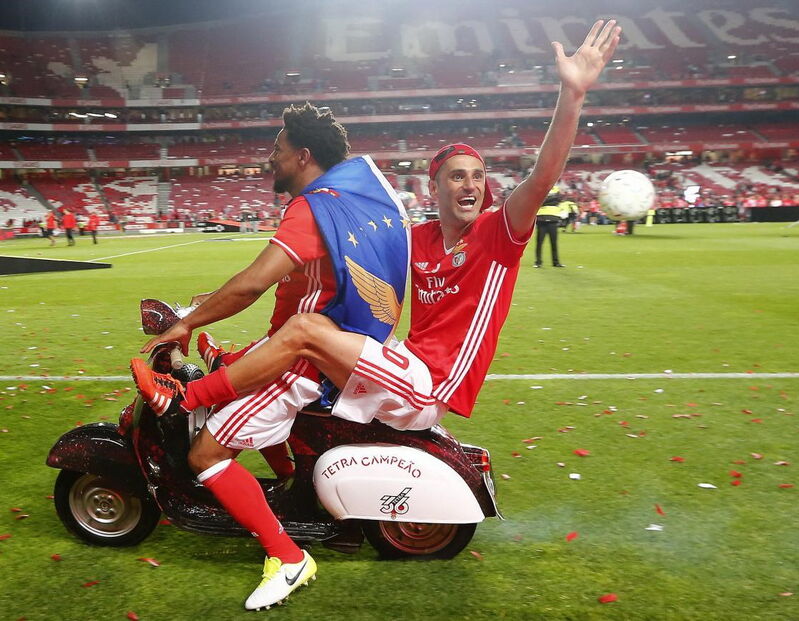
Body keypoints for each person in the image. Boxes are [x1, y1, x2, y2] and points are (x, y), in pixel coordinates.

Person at [136, 19, 619, 431]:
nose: (470, 185)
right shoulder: (419, 239)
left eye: (478, 176)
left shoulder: (497, 235)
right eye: (457, 176)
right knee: (306, 339)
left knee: (306, 332)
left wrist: (572, 94)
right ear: (436, 188)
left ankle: (188, 400)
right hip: (404, 364)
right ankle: (231, 370)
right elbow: (342, 264)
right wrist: (221, 298)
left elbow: (542, 178)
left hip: (431, 386)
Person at [130, 102, 409, 611]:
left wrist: (188, 321)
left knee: (205, 455)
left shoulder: (313, 208)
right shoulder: (348, 202)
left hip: (302, 364)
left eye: (277, 151)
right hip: (322, 348)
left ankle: (287, 556)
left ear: (303, 156)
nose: (269, 159)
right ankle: (289, 487)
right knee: (234, 393)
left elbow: (254, 283)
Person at [534, 186, 566, 267]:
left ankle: (556, 262)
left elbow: (558, 199)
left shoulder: (556, 188)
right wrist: (552, 199)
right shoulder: (541, 188)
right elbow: (539, 200)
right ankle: (538, 262)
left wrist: (546, 199)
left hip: (553, 218)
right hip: (542, 219)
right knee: (539, 243)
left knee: (554, 243)